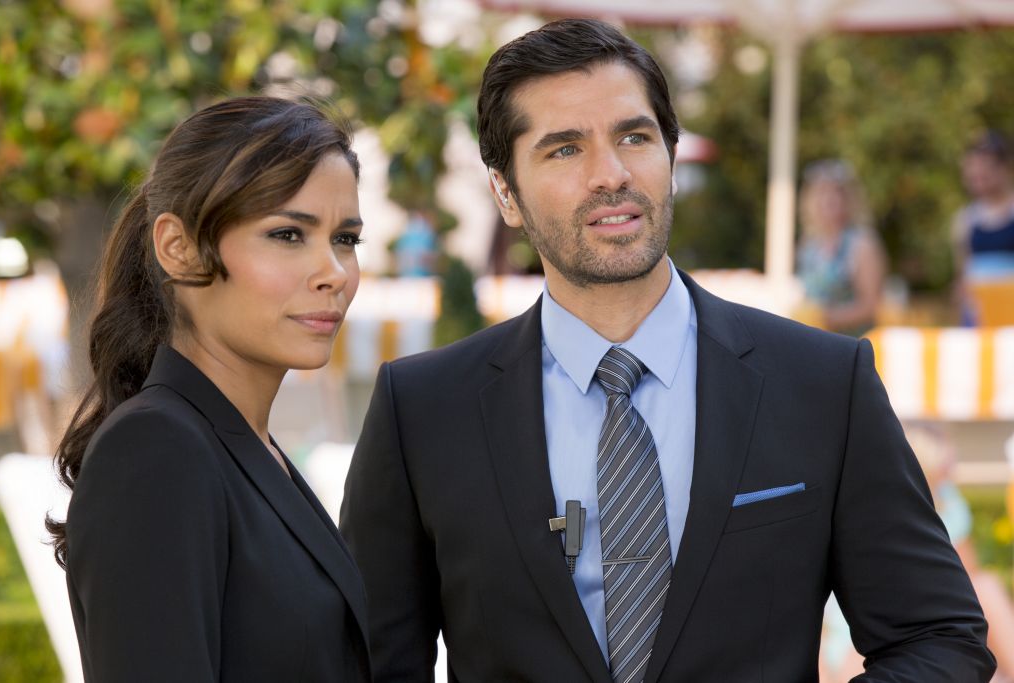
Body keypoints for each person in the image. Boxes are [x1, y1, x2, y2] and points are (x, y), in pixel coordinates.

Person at [341, 18, 994, 682]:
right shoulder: (421, 411)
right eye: (564, 149)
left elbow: (938, 636)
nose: (611, 174)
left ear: (672, 160)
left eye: (634, 137)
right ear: (505, 193)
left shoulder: (824, 384)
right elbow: (368, 666)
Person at [49, 96, 371, 682]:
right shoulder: (156, 449)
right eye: (288, 234)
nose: (334, 273)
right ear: (178, 247)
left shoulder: (245, 448)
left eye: (346, 239)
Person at [795, 158, 886, 336]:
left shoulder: (862, 243)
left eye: (836, 192)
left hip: (851, 342)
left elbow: (871, 307)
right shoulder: (808, 245)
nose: (828, 200)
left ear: (849, 199)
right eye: (821, 192)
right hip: (816, 341)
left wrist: (826, 318)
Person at [953, 130, 1014, 324]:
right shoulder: (966, 218)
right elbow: (963, 270)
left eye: (986, 169)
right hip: (979, 313)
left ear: (1004, 168)